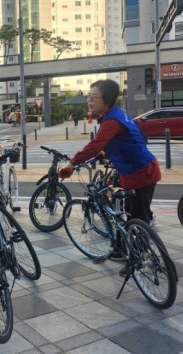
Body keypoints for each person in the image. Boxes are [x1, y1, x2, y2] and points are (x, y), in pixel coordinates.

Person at [58, 80, 161, 272]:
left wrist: (72, 164)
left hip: (142, 172)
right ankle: (123, 250)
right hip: (134, 170)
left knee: (138, 219)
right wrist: (105, 153)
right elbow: (131, 138)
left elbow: (95, 144)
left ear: (107, 99)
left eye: (94, 96)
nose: (89, 100)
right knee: (128, 215)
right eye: (88, 96)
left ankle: (141, 259)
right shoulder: (115, 115)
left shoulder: (112, 120)